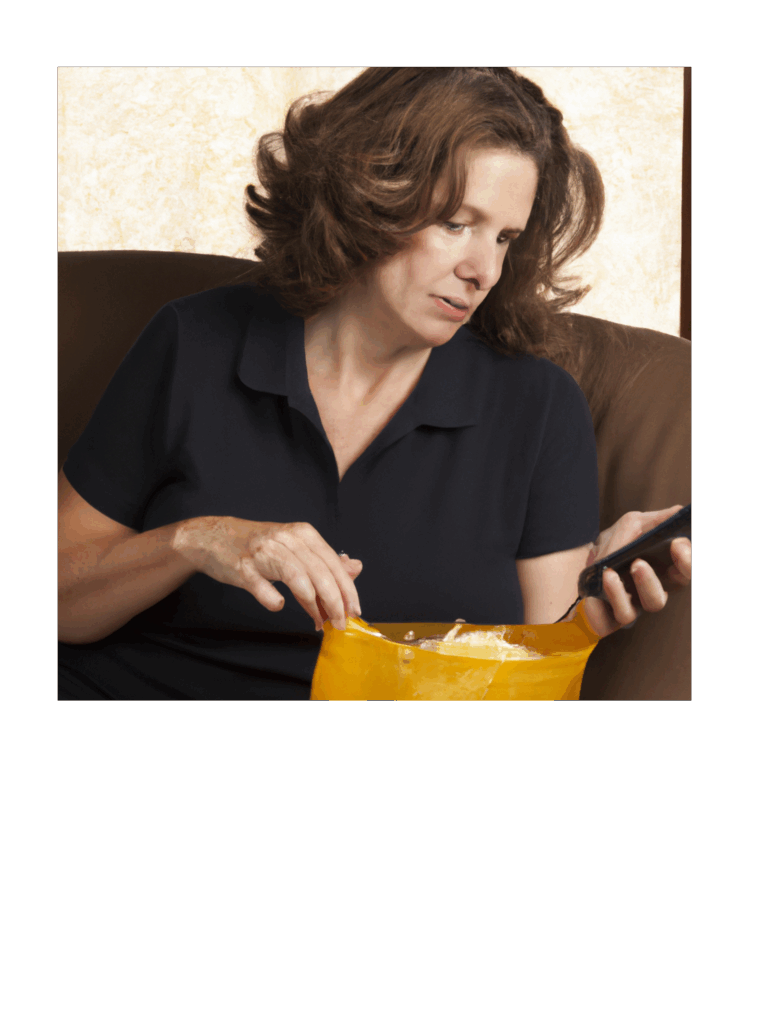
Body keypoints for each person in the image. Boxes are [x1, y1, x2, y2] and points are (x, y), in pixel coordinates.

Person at [57, 67, 691, 701]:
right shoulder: (195, 341)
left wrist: (587, 616)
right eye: (455, 223)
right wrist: (199, 539)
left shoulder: (538, 406)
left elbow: (527, 681)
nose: (484, 269)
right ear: (369, 195)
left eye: (505, 237)